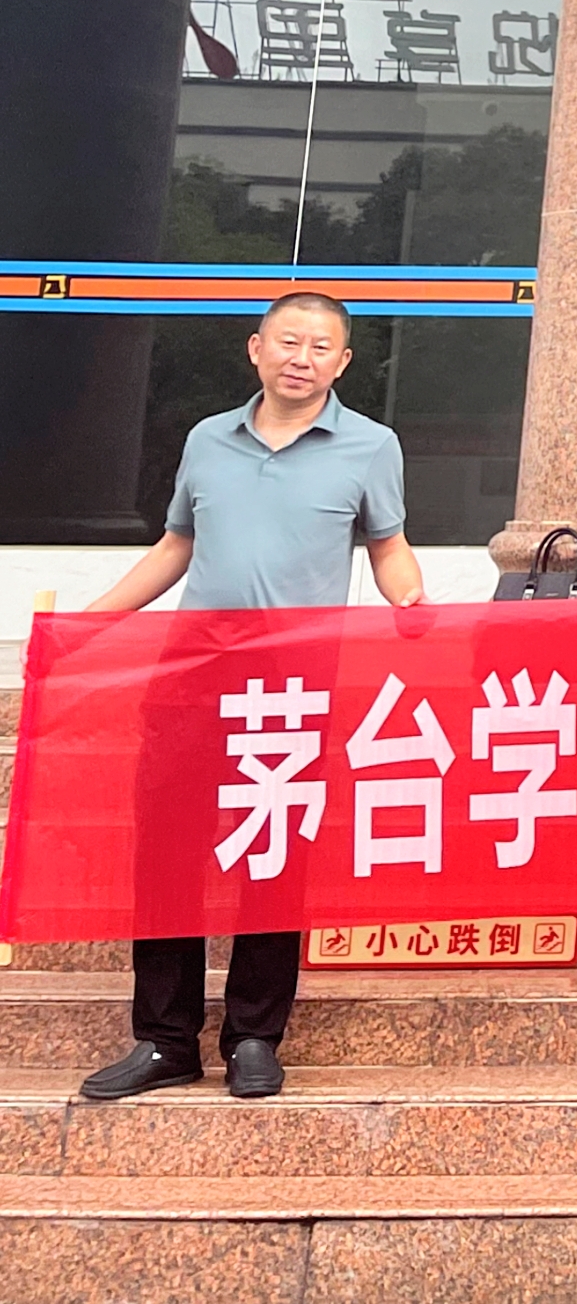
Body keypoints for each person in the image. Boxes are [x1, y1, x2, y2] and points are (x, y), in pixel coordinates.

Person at [77, 290, 423, 1102]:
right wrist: (89, 623)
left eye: (321, 346)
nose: (302, 357)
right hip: (191, 675)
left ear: (342, 362)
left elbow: (389, 545)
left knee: (273, 854)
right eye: (288, 340)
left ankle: (255, 1037)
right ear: (256, 348)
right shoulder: (207, 439)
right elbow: (176, 545)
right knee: (167, 854)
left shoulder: (370, 446)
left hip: (292, 687)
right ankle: (164, 1039)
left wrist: (409, 600)